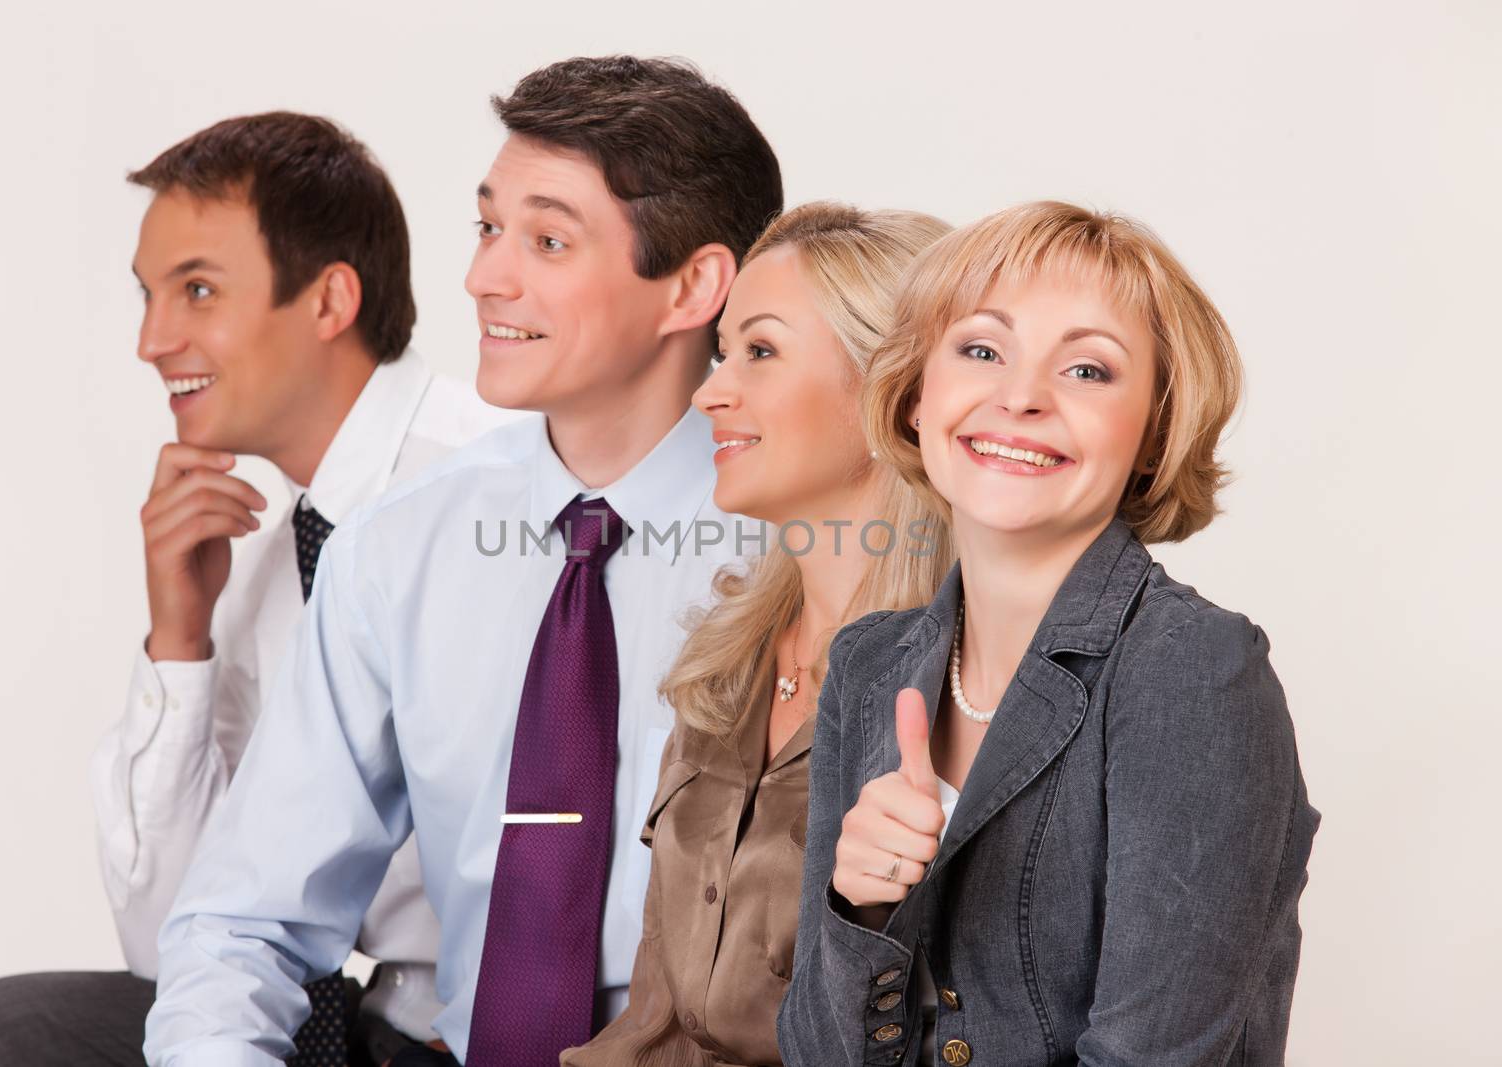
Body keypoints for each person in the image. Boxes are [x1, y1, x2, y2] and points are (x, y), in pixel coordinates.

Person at [143, 56, 784, 1067]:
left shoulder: (808, 539)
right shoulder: (400, 543)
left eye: (547, 239)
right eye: (489, 228)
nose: (485, 276)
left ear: (694, 286)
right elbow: (243, 919)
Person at [0, 112, 516, 1067]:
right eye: (148, 296)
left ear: (329, 301)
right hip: (371, 1028)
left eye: (197, 290)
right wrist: (179, 638)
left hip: (498, 1037)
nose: (153, 340)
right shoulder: (272, 561)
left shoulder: (497, 488)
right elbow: (174, 946)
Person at [778, 202, 1320, 1067]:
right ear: (918, 396)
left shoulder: (1193, 671)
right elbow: (815, 1053)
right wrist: (861, 908)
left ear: (1154, 431)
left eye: (1088, 370)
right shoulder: (870, 665)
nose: (1021, 396)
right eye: (982, 350)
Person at [561, 202, 953, 1067]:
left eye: (761, 352)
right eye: (722, 351)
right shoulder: (727, 657)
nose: (709, 392)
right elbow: (651, 1019)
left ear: (893, 387)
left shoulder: (963, 686)